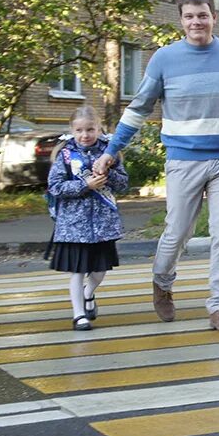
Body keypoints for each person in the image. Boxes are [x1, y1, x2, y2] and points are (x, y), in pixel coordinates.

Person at [93, 0, 219, 333]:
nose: (196, 22)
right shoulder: (164, 58)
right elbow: (139, 108)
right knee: (177, 232)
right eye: (189, 16)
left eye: (202, 15)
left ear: (214, 18)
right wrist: (111, 150)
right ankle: (162, 281)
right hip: (183, 160)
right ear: (181, 21)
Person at [46, 105, 129, 331]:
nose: (85, 135)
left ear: (99, 128)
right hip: (74, 225)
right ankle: (78, 314)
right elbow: (55, 187)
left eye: (90, 129)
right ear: (72, 130)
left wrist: (108, 174)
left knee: (100, 271)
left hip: (103, 225)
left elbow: (123, 184)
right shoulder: (64, 154)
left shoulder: (109, 152)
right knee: (77, 271)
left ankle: (88, 293)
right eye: (80, 130)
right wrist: (85, 185)